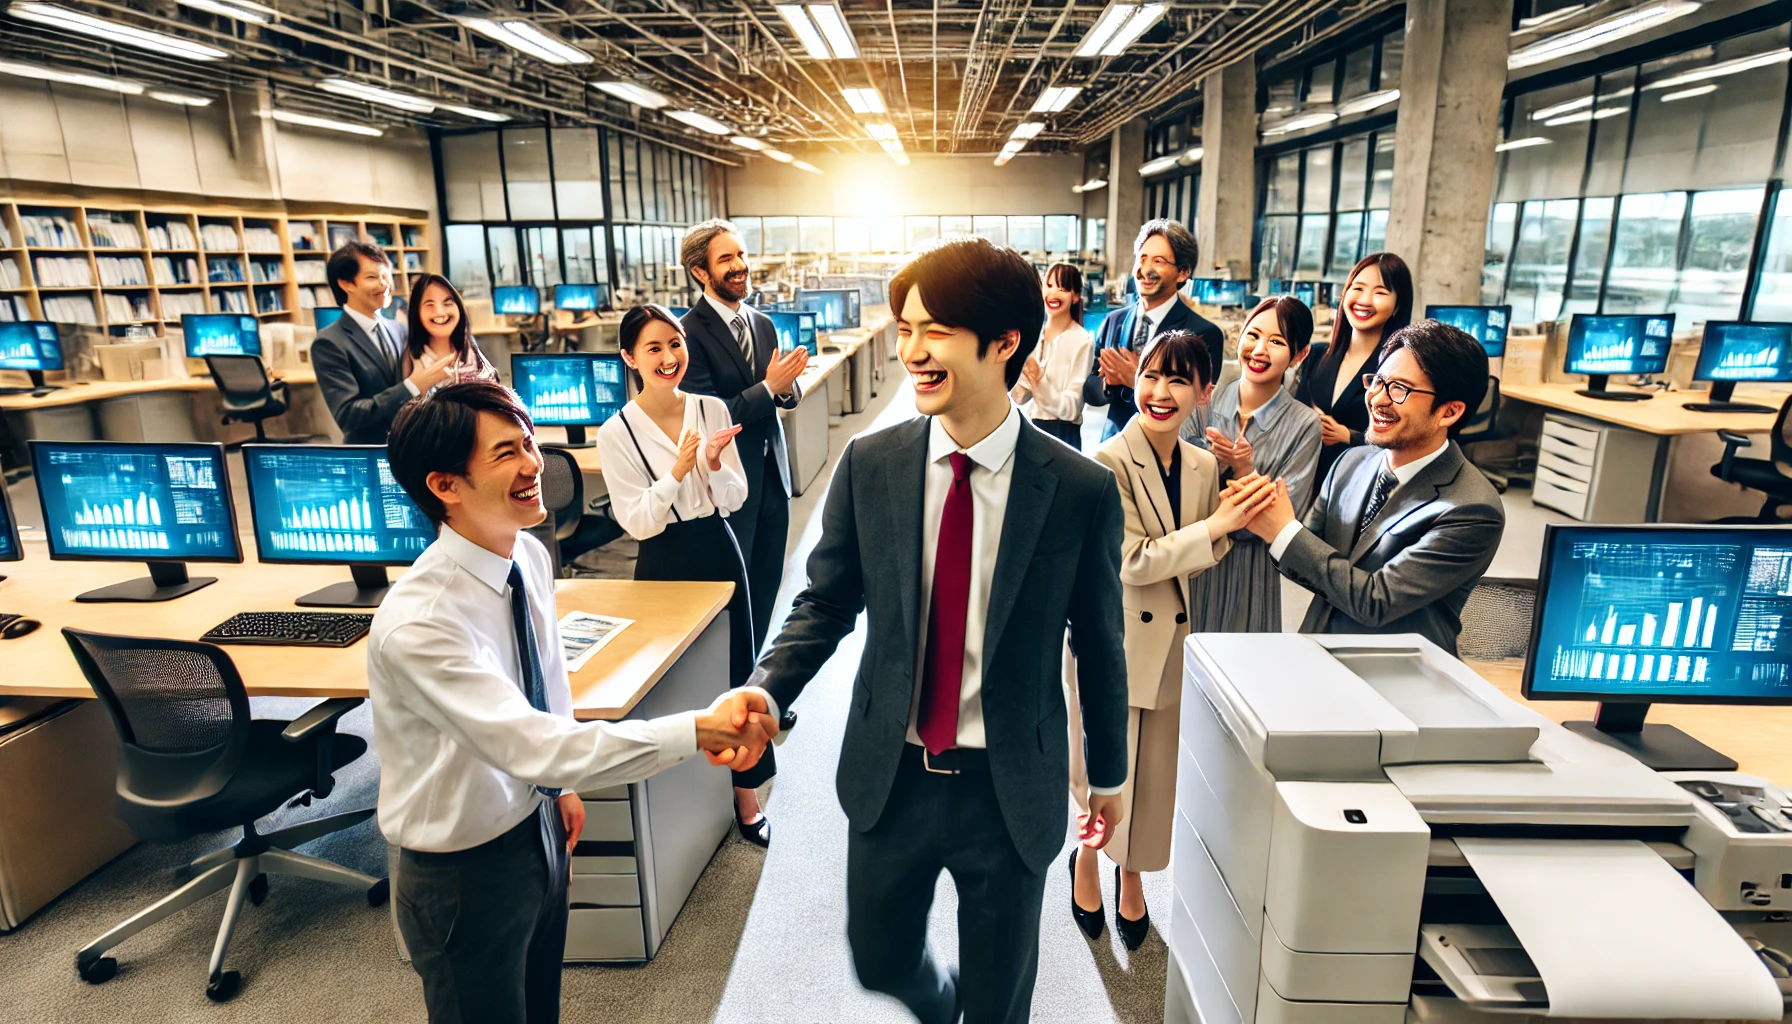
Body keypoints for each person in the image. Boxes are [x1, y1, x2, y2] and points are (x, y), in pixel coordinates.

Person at [746, 237, 1130, 1024]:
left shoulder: (1080, 489)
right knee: (880, 956)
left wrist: (1111, 776)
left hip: (1009, 786)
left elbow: (1099, 642)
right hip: (894, 773)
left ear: (1004, 343)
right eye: (905, 327)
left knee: (1000, 1002)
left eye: (934, 331)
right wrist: (764, 688)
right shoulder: (871, 464)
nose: (910, 350)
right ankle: (937, 1002)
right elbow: (825, 601)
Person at [369, 380, 776, 1024]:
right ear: (445, 485)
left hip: (536, 829)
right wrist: (695, 730)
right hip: (461, 875)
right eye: (506, 454)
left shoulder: (526, 554)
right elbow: (533, 745)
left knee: (541, 1009)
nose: (535, 464)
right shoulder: (421, 624)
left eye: (528, 442)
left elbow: (550, 690)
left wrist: (557, 792)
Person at [1069, 331, 1276, 950]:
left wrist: (1221, 520)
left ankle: (1131, 878)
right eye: (1152, 376)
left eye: (1179, 380)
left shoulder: (1204, 464)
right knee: (1102, 771)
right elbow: (1131, 561)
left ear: (1204, 392)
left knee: (1154, 779)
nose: (1160, 393)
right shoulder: (1106, 461)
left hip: (1174, 646)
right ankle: (1084, 862)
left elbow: (1206, 552)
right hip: (1114, 642)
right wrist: (1216, 526)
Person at [596, 305, 778, 847]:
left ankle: (747, 799)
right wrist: (678, 472)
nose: (669, 357)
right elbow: (639, 523)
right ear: (630, 358)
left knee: (735, 677)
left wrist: (715, 466)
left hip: (719, 549)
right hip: (663, 562)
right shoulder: (617, 433)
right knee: (671, 685)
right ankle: (679, 807)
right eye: (654, 349)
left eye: (675, 344)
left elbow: (736, 498)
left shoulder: (711, 408)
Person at [1242, 319, 1506, 655]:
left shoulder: (1471, 508)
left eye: (1399, 389)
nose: (1377, 399)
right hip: (1318, 649)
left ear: (1449, 412)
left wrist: (1283, 531)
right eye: (1378, 381)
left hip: (1400, 675)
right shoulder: (1351, 463)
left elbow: (1376, 600)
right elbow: (1307, 554)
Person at [677, 219, 807, 838]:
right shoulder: (687, 335)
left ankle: (761, 692)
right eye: (726, 259)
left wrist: (787, 393)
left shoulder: (761, 322)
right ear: (701, 270)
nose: (739, 266)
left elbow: (782, 395)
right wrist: (767, 388)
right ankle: (742, 714)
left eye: (742, 256)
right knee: (741, 606)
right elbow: (708, 415)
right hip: (728, 483)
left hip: (771, 477)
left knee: (769, 591)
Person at [1185, 296, 1325, 633]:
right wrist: (1215, 466)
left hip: (1252, 571)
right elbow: (1177, 492)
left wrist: (1244, 469)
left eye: (1277, 342)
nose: (1259, 349)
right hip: (1190, 557)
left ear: (1300, 354)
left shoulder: (1304, 424)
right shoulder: (1202, 400)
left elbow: (1282, 519)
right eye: (1253, 335)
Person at [1083, 219, 1224, 440]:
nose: (1145, 269)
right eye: (1142, 259)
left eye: (1158, 261)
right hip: (1113, 447)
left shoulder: (1203, 334)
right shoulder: (1114, 321)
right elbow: (1089, 390)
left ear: (1183, 272)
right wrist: (1108, 383)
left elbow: (1197, 412)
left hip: (1167, 453)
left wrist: (1137, 382)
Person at [1291, 252, 1413, 485]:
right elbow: (1296, 412)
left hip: (1358, 481)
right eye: (1358, 288)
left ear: (1398, 306)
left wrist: (1348, 436)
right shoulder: (1317, 355)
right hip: (1304, 475)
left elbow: (1405, 438)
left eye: (1380, 292)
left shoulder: (1399, 369)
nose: (1365, 300)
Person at [310, 241, 435, 444]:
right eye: (372, 277)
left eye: (385, 276)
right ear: (346, 283)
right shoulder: (329, 343)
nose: (384, 284)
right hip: (370, 451)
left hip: (411, 445)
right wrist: (411, 386)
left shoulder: (399, 329)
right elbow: (348, 415)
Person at [1010, 262, 1095, 448]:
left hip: (1063, 435)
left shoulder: (1082, 341)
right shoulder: (1033, 335)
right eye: (1049, 285)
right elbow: (1019, 397)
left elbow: (1071, 409)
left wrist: (1039, 379)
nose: (1054, 293)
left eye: (1063, 288)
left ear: (1076, 297)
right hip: (1030, 429)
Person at [403, 272, 497, 393]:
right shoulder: (411, 360)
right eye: (430, 305)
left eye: (447, 303)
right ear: (417, 313)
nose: (440, 312)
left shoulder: (473, 353)